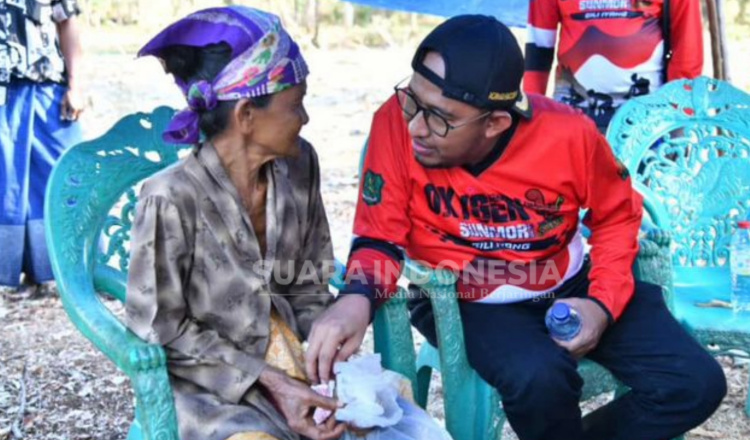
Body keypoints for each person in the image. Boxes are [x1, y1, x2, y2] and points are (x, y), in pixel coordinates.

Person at [306, 15, 727, 440]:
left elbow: (616, 214)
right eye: (411, 100)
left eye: (440, 118)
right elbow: (379, 236)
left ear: (495, 123)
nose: (415, 126)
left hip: (566, 280)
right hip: (462, 296)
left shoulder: (568, 135)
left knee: (695, 384)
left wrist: (601, 304)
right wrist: (356, 297)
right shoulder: (394, 124)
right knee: (539, 379)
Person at [126, 7, 346, 440]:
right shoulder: (169, 198)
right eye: (296, 105)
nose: (304, 119)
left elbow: (310, 280)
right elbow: (158, 329)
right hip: (207, 384)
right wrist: (267, 378)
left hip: (292, 354)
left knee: (379, 416)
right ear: (246, 114)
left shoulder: (300, 165)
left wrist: (329, 359)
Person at [0, 0, 84, 294]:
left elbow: (67, 22)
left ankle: (73, 269)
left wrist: (75, 86)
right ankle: (16, 273)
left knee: (62, 174)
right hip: (2, 92)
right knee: (7, 182)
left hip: (47, 87)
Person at [524, 0, 703, 131]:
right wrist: (530, 116)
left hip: (648, 124)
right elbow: (538, 49)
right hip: (571, 118)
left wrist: (679, 117)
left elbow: (688, 53)